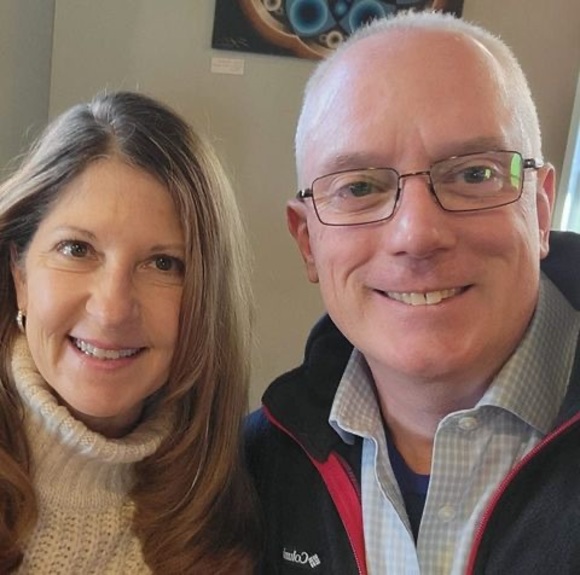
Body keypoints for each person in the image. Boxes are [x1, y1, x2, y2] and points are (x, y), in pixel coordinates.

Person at [246, 10, 580, 575]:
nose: (417, 235)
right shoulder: (254, 471)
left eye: (474, 174)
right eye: (359, 187)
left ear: (540, 210)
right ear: (307, 241)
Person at [0, 91, 258, 573]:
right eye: (77, 250)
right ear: (20, 275)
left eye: (163, 263)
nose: (112, 309)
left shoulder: (233, 509)